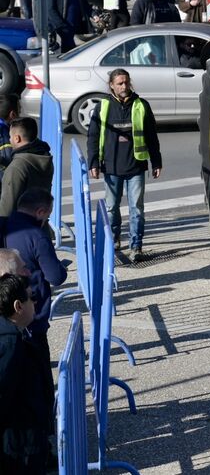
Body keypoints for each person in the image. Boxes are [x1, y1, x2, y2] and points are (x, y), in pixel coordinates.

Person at [87, 70, 162, 263]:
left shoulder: (141, 105)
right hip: (111, 167)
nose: (124, 86)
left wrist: (156, 161)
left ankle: (136, 246)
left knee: (136, 208)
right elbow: (93, 137)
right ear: (111, 85)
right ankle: (114, 239)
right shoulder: (102, 107)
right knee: (112, 208)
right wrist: (94, 162)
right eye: (119, 83)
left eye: (126, 83)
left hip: (136, 167)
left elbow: (152, 136)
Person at [2, 190, 64, 396]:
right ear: (40, 212)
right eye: (47, 215)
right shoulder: (37, 236)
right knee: (39, 376)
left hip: (7, 314)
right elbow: (55, 276)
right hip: (32, 316)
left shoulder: (5, 224)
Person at [0, 272, 54, 473]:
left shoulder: (16, 335)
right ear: (18, 306)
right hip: (20, 445)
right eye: (32, 297)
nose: (36, 302)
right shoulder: (10, 343)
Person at [0, 118, 52, 220]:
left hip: (19, 229)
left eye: (10, 137)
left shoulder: (16, 168)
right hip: (40, 224)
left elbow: (6, 210)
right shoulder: (44, 157)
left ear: (17, 138)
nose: (9, 140)